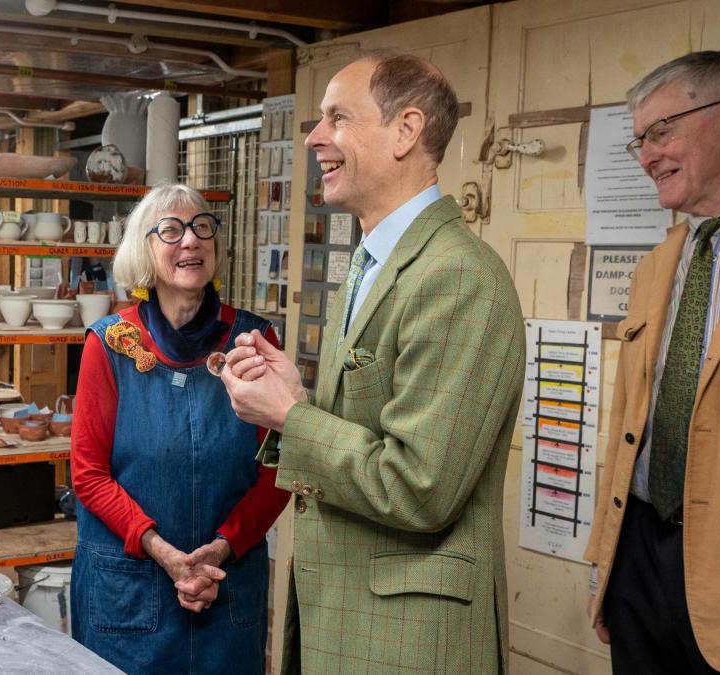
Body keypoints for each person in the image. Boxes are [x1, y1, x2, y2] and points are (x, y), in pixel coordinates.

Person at [221, 54, 525, 673]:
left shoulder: (459, 277)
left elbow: (420, 486)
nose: (313, 138)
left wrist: (292, 417)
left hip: (408, 642)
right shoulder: (373, 262)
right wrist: (291, 396)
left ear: (406, 131)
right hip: (350, 619)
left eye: (337, 117)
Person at [584, 51, 720, 673]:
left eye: (661, 131)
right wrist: (604, 563)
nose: (646, 155)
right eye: (639, 141)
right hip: (639, 561)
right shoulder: (655, 267)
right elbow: (629, 428)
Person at [70, 182, 290, 673]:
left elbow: (279, 470)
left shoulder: (253, 342)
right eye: (170, 230)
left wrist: (220, 548)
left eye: (202, 227)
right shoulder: (109, 345)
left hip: (225, 586)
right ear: (145, 252)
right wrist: (165, 553)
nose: (191, 241)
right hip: (130, 600)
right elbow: (88, 475)